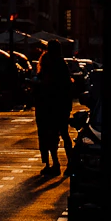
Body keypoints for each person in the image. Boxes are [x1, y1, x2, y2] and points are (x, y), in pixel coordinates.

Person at [34, 40, 73, 174]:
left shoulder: (48, 62)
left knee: (50, 135)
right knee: (63, 134)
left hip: (49, 104)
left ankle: (55, 163)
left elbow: (43, 81)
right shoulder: (61, 64)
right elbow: (67, 86)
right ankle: (68, 163)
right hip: (59, 105)